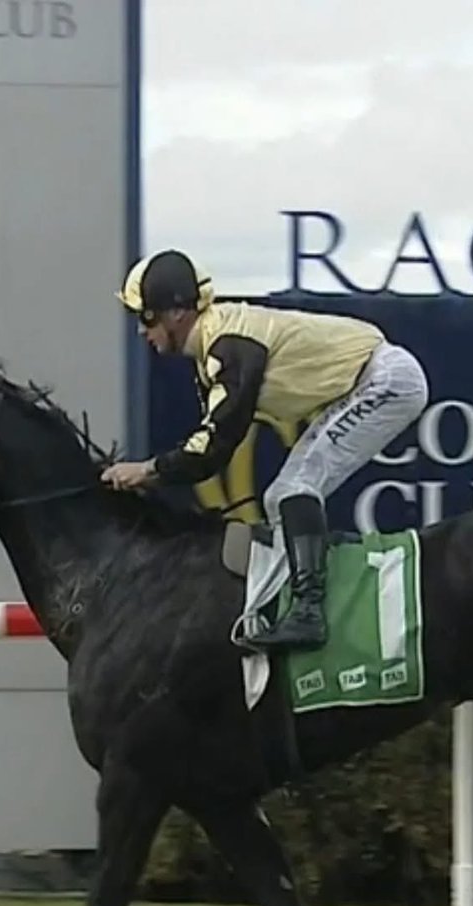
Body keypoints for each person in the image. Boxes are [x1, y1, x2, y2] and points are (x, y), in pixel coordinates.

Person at [103, 249, 430, 652]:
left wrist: (148, 470)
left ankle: (309, 612)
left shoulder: (228, 345)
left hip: (386, 381)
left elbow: (214, 446)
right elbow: (210, 448)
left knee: (294, 490)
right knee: (282, 495)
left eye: (146, 316)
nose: (141, 330)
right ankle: (301, 598)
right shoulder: (215, 346)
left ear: (176, 312)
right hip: (368, 380)